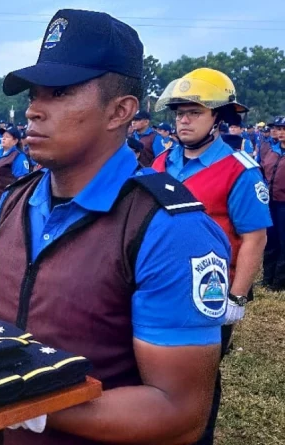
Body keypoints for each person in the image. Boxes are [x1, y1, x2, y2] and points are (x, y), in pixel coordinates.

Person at [0, 9, 231, 444]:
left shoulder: (168, 229)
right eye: (34, 94)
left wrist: (31, 409)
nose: (33, 111)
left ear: (120, 110)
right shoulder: (13, 202)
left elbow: (179, 412)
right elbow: (0, 315)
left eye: (58, 93)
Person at [153, 67, 271, 445]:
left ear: (218, 118)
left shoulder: (240, 171)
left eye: (194, 113)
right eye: (179, 113)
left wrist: (236, 297)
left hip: (211, 291)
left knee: (199, 376)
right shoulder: (161, 163)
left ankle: (197, 436)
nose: (183, 121)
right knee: (158, 368)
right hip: (161, 284)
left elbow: (255, 238)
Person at [260, 116, 285, 290]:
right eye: (278, 129)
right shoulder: (271, 150)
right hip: (270, 202)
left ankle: (279, 282)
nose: (281, 132)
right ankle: (267, 278)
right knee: (270, 240)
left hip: (284, 203)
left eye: (284, 129)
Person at [0, 127, 31, 217]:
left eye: (7, 137)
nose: (3, 138)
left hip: (4, 201)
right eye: (3, 136)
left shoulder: (18, 157)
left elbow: (22, 179)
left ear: (15, 141)